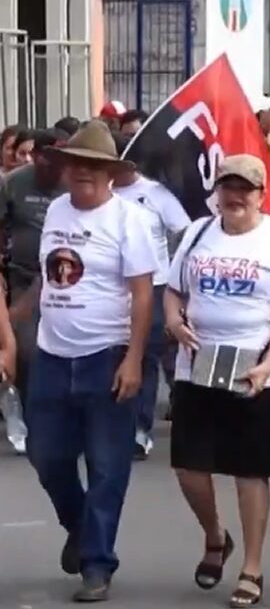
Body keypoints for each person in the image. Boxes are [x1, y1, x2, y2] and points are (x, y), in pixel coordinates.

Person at [164, 155, 270, 608]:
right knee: (190, 467)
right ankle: (215, 536)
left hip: (254, 368)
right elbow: (174, 292)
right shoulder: (197, 232)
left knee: (250, 470)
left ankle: (252, 567)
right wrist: (173, 321)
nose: (236, 196)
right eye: (228, 187)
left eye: (245, 189)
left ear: (261, 195)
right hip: (198, 363)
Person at [21, 121, 157, 602]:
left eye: (94, 166)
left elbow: (143, 296)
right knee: (46, 454)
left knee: (106, 465)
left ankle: (97, 563)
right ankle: (79, 527)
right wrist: (18, 319)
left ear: (111, 175)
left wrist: (134, 359)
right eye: (76, 164)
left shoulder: (130, 221)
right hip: (53, 355)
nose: (83, 173)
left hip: (107, 354)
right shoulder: (57, 211)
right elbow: (49, 275)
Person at [110, 134, 193, 459]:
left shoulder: (155, 194)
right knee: (113, 356)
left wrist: (176, 276)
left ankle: (139, 431)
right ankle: (112, 424)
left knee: (143, 356)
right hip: (113, 287)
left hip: (154, 284)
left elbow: (184, 233)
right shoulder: (102, 194)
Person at [0, 129, 67, 455]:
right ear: (37, 155)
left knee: (60, 351)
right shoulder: (13, 183)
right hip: (23, 278)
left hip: (67, 281)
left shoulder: (73, 184)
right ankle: (30, 418)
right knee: (25, 350)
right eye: (46, 156)